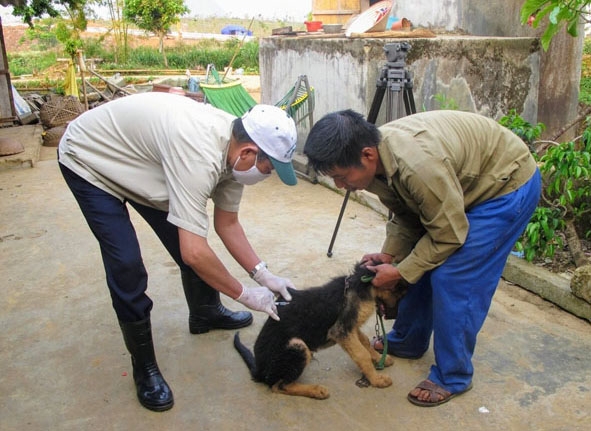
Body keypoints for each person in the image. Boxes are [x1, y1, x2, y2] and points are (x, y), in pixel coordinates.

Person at [58, 92, 298, 412]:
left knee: (190, 233)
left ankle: (204, 313)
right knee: (128, 264)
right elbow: (194, 254)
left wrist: (263, 274)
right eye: (269, 168)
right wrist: (245, 294)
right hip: (91, 159)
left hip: (142, 163)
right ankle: (145, 369)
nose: (267, 175)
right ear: (250, 151)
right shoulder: (199, 152)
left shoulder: (236, 157)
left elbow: (227, 224)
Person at [303, 109, 541, 407]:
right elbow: (408, 214)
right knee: (414, 262)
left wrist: (401, 272)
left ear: (366, 155)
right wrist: (392, 254)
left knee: (453, 276)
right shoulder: (377, 160)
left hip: (503, 188)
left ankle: (453, 375)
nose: (340, 185)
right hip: (457, 188)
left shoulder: (417, 165)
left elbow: (450, 234)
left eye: (341, 176)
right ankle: (408, 340)